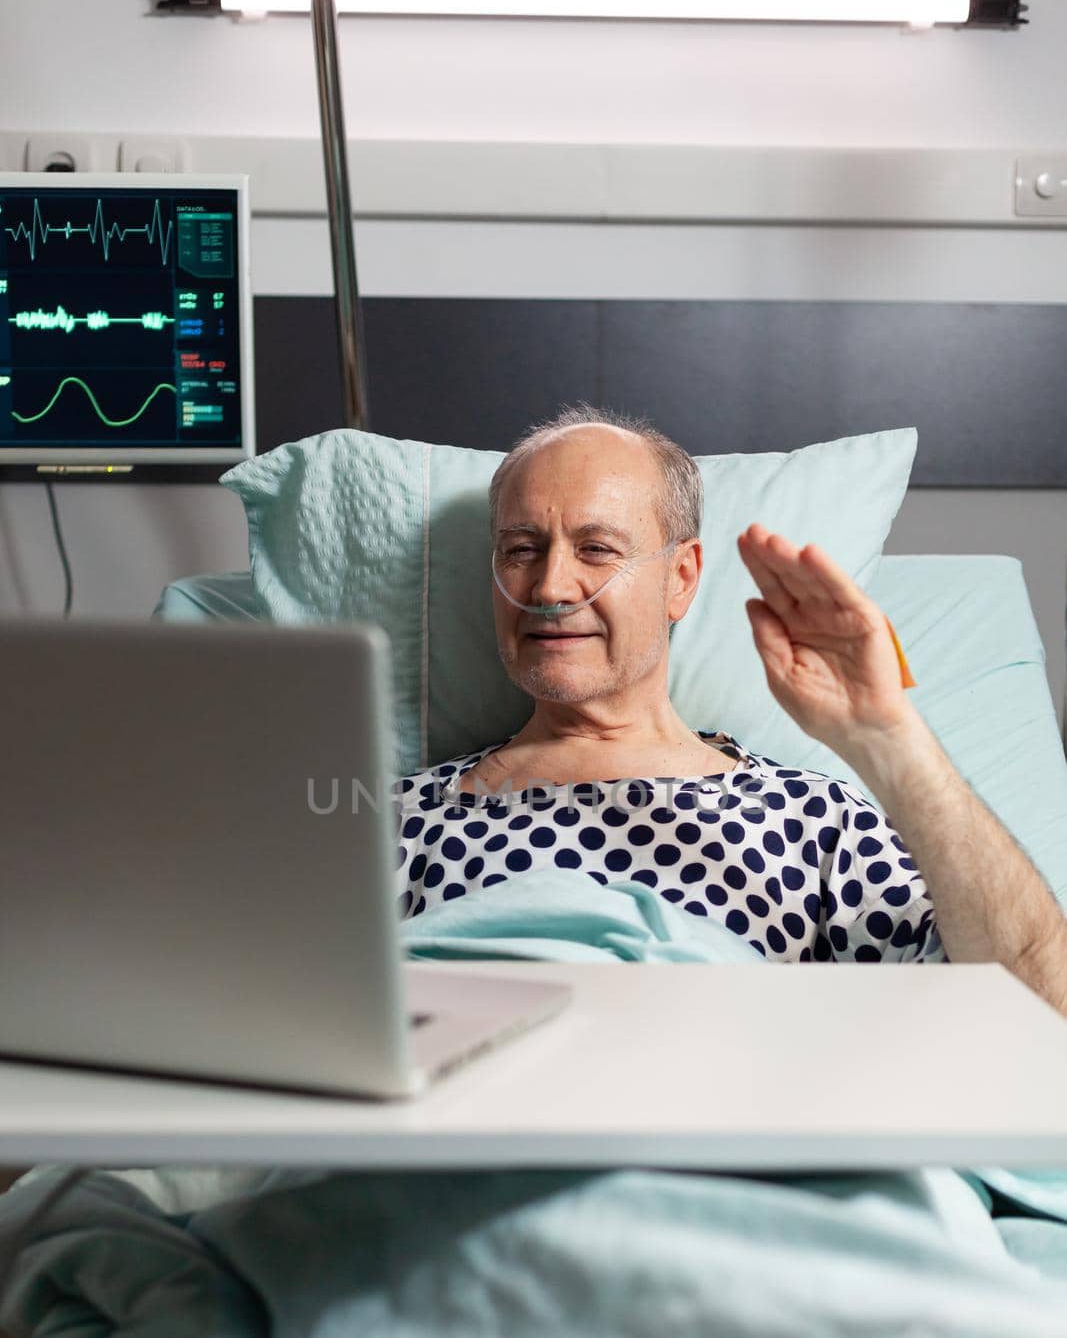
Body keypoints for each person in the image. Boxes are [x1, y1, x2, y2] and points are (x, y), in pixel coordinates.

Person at [395, 404, 1067, 1016]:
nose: (548, 585)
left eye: (596, 549)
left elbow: (1034, 1007)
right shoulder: (400, 819)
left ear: (680, 578)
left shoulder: (812, 818)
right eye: (520, 550)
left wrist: (888, 737)